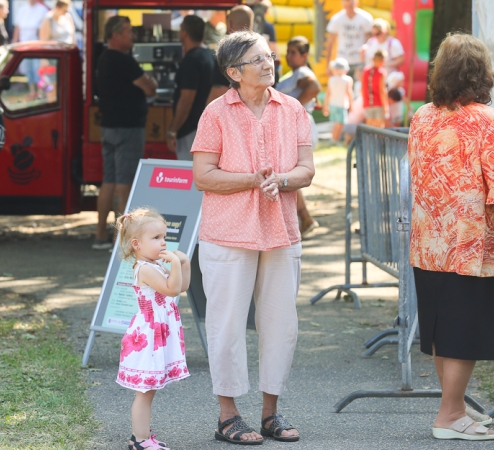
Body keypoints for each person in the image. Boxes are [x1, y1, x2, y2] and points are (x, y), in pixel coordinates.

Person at [191, 30, 314, 445]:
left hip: (281, 231)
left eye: (270, 56)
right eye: (258, 59)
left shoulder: (293, 109)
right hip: (228, 233)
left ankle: (270, 414)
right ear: (233, 72)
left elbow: (307, 170)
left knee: (281, 324)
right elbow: (203, 176)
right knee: (225, 324)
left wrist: (281, 179)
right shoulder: (215, 114)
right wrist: (251, 180)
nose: (269, 64)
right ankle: (228, 416)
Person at [409, 33, 494, 441]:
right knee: (465, 330)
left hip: (428, 239)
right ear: (482, 73)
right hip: (473, 243)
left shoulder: (422, 115)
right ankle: (450, 414)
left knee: (443, 329)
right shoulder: (486, 120)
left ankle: (453, 408)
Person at [114, 207, 191, 450]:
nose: (163, 243)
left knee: (150, 390)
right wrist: (176, 265)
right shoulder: (145, 268)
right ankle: (140, 441)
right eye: (156, 238)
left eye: (164, 237)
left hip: (158, 333)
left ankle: (142, 436)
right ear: (136, 244)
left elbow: (181, 287)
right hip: (148, 337)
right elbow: (170, 288)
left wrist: (184, 263)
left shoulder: (154, 264)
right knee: (145, 391)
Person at [93, 15, 156, 250]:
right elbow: (149, 89)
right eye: (128, 32)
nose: (132, 36)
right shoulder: (124, 61)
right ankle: (118, 238)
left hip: (108, 126)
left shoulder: (104, 59)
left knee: (108, 181)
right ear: (116, 35)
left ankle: (100, 234)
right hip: (128, 128)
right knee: (125, 183)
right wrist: (151, 83)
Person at [276, 35, 320, 237]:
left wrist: (292, 111)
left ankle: (303, 219)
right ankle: (305, 218)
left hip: (296, 127)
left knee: (288, 174)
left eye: (293, 52)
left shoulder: (303, 72)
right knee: (287, 173)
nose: (289, 56)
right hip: (293, 127)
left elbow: (313, 88)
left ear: (304, 55)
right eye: (288, 52)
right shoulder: (292, 74)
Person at [166, 15, 214, 161]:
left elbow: (186, 100)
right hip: (206, 127)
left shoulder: (191, 60)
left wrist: (172, 130)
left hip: (191, 130)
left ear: (184, 33)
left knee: (189, 177)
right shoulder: (210, 55)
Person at [206, 4, 253, 104]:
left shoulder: (226, 54)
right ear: (251, 24)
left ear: (230, 24)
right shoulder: (263, 52)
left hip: (232, 115)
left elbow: (218, 92)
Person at [325, 0, 372, 80]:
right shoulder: (337, 19)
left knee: (359, 89)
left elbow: (371, 41)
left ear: (356, 3)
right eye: (346, 6)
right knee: (342, 88)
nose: (349, 9)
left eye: (351, 6)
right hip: (342, 60)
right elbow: (330, 43)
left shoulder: (365, 18)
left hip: (360, 61)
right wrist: (328, 65)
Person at [12, 0, 48, 98]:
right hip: (24, 47)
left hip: (37, 47)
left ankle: (41, 92)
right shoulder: (22, 9)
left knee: (38, 70)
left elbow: (43, 30)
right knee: (29, 70)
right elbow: (17, 28)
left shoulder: (42, 10)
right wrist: (14, 43)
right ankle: (32, 92)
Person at [323, 57, 353, 143]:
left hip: (332, 104)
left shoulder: (331, 79)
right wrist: (352, 104)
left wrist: (325, 105)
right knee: (340, 123)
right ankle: (335, 139)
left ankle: (333, 138)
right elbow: (349, 92)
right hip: (342, 104)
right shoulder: (347, 79)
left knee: (335, 123)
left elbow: (328, 94)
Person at [362, 50, 388, 128]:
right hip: (378, 103)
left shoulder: (366, 71)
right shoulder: (381, 72)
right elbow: (382, 90)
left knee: (369, 129)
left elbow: (363, 88)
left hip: (368, 103)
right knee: (379, 128)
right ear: (382, 61)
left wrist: (364, 102)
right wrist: (385, 106)